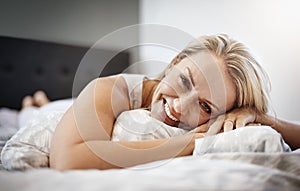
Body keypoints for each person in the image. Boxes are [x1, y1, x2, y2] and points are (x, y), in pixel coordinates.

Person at [34, 34, 298, 170]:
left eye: (205, 106)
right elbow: (68, 160)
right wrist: (190, 141)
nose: (181, 107)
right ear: (173, 64)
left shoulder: (225, 115)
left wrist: (258, 117)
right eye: (184, 81)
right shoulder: (112, 89)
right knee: (43, 110)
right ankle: (34, 102)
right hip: (68, 107)